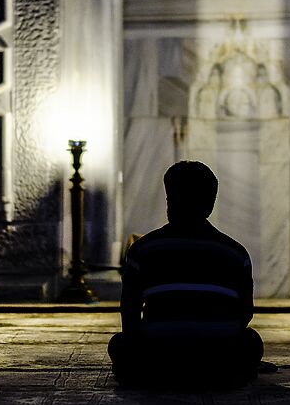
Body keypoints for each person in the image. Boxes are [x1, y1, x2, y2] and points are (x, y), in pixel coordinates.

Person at [108, 161, 264, 387]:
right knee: (252, 342)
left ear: (169, 200)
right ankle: (217, 372)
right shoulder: (236, 253)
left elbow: (129, 312)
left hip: (159, 352)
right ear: (210, 205)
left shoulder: (143, 249)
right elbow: (245, 314)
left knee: (119, 345)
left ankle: (157, 372)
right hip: (219, 354)